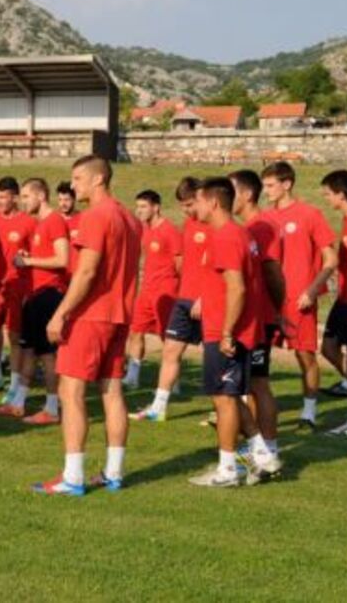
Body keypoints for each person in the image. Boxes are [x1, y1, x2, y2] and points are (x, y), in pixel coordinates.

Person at [34, 155, 140, 496]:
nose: (73, 184)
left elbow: (87, 271)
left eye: (78, 178)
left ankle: (73, 476)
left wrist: (61, 313)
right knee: (111, 391)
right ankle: (113, 473)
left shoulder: (97, 216)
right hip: (120, 314)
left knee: (71, 392)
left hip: (92, 314)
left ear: (98, 180)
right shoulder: (130, 218)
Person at [188, 177, 281, 487]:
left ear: (213, 202)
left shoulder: (227, 237)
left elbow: (238, 289)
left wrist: (227, 331)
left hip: (226, 331)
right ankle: (262, 453)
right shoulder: (238, 234)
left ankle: (227, 470)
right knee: (228, 395)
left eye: (198, 201)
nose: (195, 208)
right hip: (230, 328)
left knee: (224, 399)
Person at [261, 161, 337, 430]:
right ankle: (254, 410)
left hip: (299, 300)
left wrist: (312, 290)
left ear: (287, 184)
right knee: (259, 356)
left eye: (270, 185)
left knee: (305, 356)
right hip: (269, 300)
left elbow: (331, 258)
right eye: (264, 185)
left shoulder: (310, 214)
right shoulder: (264, 218)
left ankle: (308, 413)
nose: (266, 190)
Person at [130, 177, 206, 422]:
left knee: (175, 341)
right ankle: (152, 398)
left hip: (176, 293)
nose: (185, 210)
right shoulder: (183, 225)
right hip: (158, 292)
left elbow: (182, 264)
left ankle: (229, 405)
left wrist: (197, 293)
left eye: (189, 204)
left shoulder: (173, 230)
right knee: (145, 335)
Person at [0, 177, 69, 425]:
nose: (22, 201)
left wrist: (28, 262)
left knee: (48, 355)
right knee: (27, 351)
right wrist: (31, 256)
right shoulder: (41, 224)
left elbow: (62, 259)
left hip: (49, 295)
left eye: (26, 196)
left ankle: (52, 408)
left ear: (40, 196)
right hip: (36, 294)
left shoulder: (55, 221)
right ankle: (18, 403)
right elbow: (47, 256)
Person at [229, 169, 285, 459]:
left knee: (259, 384)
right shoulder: (248, 227)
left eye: (231, 190)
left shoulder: (262, 227)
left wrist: (278, 311)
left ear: (247, 194)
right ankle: (259, 446)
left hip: (259, 319)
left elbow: (274, 273)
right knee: (251, 383)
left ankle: (269, 447)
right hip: (252, 317)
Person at [123, 190, 182, 389]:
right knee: (136, 331)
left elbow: (180, 263)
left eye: (143, 207)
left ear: (156, 207)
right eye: (137, 206)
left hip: (166, 291)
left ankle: (173, 381)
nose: (139, 211)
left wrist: (179, 289)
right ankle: (132, 376)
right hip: (147, 290)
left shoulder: (170, 231)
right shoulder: (144, 229)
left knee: (168, 337)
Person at [0, 178, 34, 394]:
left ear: (14, 196)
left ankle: (14, 384)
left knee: (14, 335)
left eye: (4, 197)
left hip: (16, 286)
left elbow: (36, 254)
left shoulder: (29, 222)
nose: (0, 201)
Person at [319, 169, 347, 436]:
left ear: (341, 194)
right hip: (344, 299)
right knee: (328, 347)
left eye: (328, 194)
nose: (325, 198)